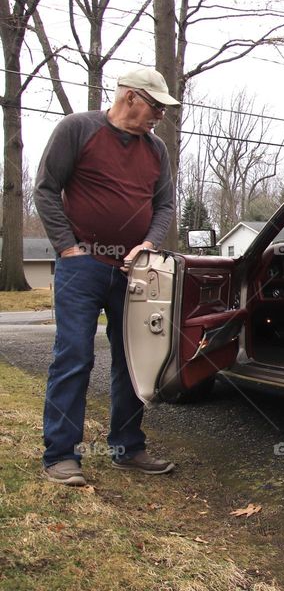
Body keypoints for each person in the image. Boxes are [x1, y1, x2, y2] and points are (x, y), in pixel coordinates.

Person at [35, 67, 179, 486]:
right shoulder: (78, 129)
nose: (160, 116)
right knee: (75, 355)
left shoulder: (155, 150)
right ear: (131, 97)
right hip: (83, 267)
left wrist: (149, 246)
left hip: (134, 271)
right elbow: (45, 189)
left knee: (133, 361)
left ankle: (127, 447)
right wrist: (67, 247)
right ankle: (61, 454)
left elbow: (165, 207)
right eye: (155, 106)